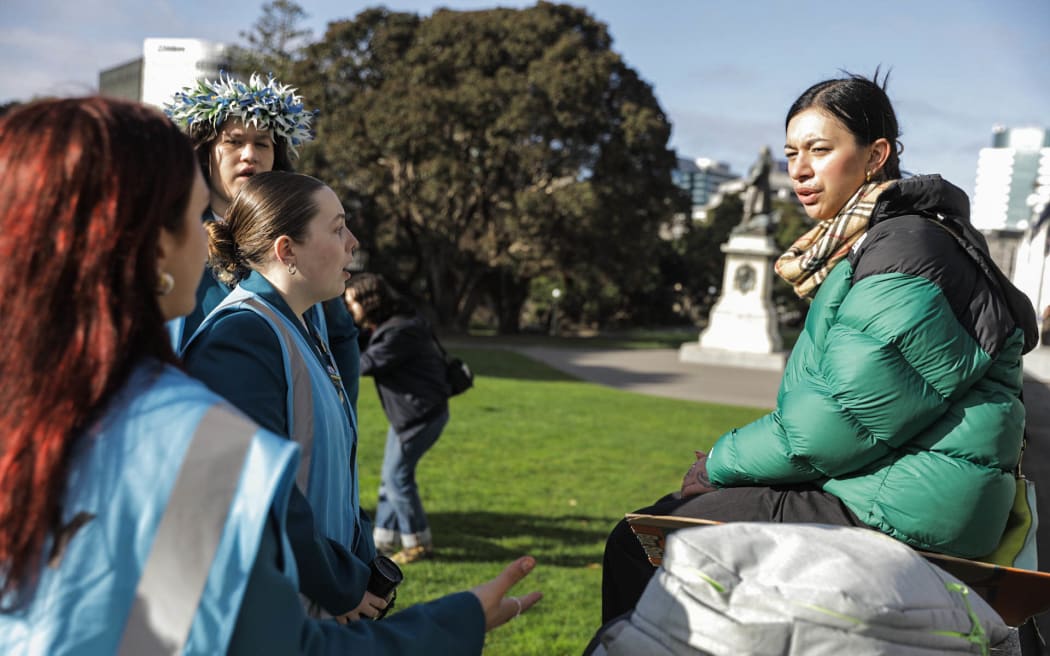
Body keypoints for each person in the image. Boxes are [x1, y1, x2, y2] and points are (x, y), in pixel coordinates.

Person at [0, 96, 540, 654]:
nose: (211, 239)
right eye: (195, 215)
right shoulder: (185, 431)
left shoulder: (45, 407)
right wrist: (458, 620)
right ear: (154, 247)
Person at [599, 71, 1040, 624]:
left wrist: (717, 463)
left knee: (642, 542)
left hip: (899, 509)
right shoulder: (882, 243)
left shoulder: (908, 247)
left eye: (820, 150)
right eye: (790, 154)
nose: (800, 170)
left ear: (876, 155)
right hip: (888, 491)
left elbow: (835, 422)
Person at [182, 171, 379, 619]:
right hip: (280, 619)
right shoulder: (242, 337)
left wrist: (361, 556)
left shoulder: (302, 325)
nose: (353, 242)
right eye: (337, 227)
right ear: (286, 250)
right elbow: (260, 494)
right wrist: (339, 583)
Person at [164, 71, 361, 408]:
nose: (249, 155)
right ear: (207, 152)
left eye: (262, 144)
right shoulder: (173, 241)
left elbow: (340, 338)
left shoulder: (308, 241)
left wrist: (340, 422)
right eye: (234, 141)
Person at [345, 273, 451, 564]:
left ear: (369, 302)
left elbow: (363, 364)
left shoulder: (399, 332)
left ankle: (418, 543)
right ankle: (383, 540)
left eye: (351, 303)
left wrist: (339, 342)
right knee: (389, 479)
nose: (349, 309)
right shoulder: (393, 324)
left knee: (397, 478)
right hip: (410, 415)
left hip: (420, 416)